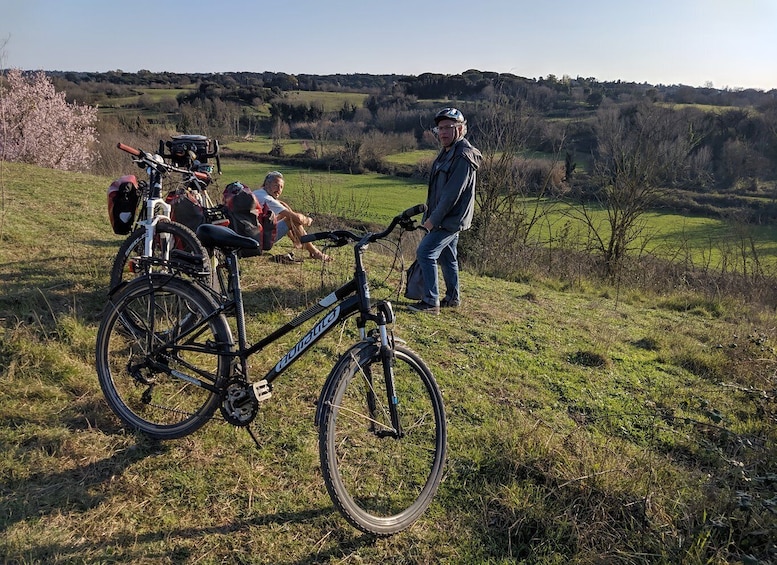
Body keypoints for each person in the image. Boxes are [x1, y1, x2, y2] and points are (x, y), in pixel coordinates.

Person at [408, 107, 481, 315]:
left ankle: (431, 302)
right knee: (448, 258)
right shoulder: (448, 152)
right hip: (444, 217)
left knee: (426, 252)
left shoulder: (463, 156)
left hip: (448, 219)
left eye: (449, 127)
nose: (443, 132)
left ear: (461, 129)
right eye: (440, 128)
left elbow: (451, 195)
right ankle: (452, 298)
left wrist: (432, 220)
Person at [253, 171, 331, 262]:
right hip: (259, 240)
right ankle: (314, 252)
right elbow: (296, 218)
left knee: (285, 212)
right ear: (267, 184)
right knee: (292, 220)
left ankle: (296, 241)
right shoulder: (267, 199)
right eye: (276, 185)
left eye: (281, 187)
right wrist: (307, 220)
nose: (279, 190)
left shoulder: (258, 193)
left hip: (252, 236)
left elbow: (283, 208)